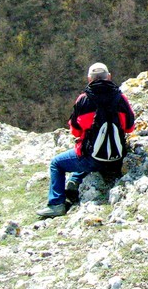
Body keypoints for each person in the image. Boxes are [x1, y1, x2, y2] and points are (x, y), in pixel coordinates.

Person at [36, 62, 136, 218]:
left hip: (94, 159)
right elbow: (130, 128)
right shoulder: (121, 98)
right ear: (109, 77)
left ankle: (56, 204)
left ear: (89, 79)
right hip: (117, 159)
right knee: (87, 153)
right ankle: (75, 179)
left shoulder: (84, 100)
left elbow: (75, 131)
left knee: (57, 163)